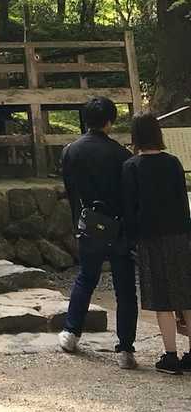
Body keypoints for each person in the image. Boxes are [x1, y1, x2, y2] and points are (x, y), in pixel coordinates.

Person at [59, 95, 138, 369]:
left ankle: (71, 333)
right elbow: (130, 197)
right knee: (125, 288)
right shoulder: (122, 155)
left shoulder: (71, 151)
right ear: (110, 121)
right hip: (118, 227)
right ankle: (126, 349)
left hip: (89, 224)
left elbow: (71, 191)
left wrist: (77, 223)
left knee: (86, 278)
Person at [122, 113, 191, 375]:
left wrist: (130, 239)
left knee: (162, 298)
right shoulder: (173, 163)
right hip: (179, 235)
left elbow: (130, 209)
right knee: (186, 295)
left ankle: (170, 355)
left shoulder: (131, 167)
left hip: (150, 238)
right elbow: (182, 201)